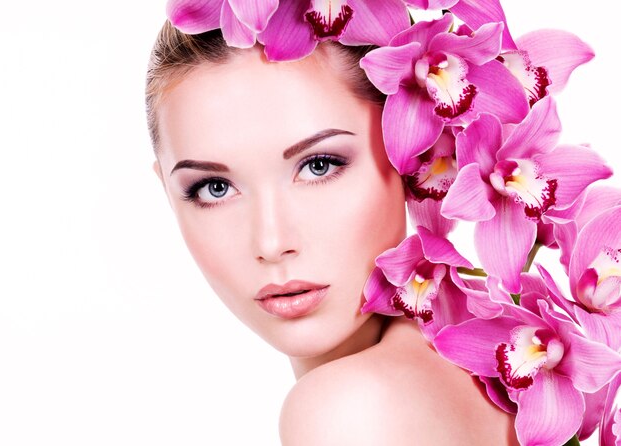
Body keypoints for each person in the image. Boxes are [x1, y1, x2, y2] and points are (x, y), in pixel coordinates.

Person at [146, 21, 518, 445]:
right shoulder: (481, 372)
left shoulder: (345, 410)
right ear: (168, 193)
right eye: (214, 189)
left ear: (415, 152)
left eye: (318, 165)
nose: (271, 242)